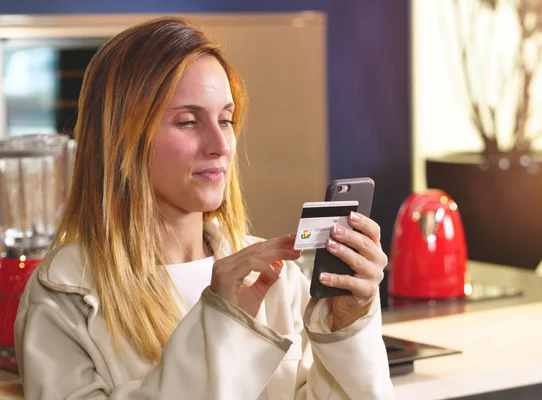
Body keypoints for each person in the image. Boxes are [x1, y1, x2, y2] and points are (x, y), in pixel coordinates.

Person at [15, 17, 394, 399]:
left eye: (225, 120)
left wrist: (349, 325)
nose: (220, 144)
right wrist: (220, 323)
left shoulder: (279, 281)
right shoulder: (63, 296)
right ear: (122, 141)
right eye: (188, 122)